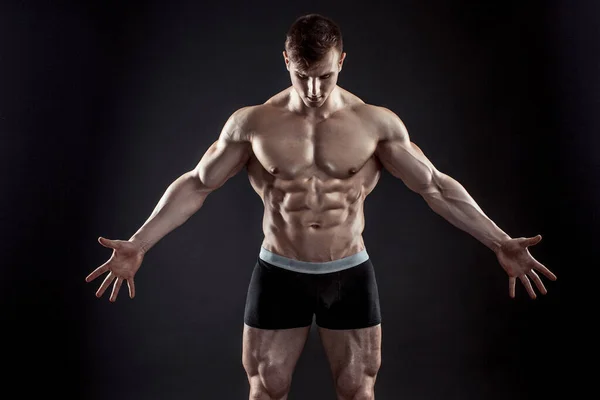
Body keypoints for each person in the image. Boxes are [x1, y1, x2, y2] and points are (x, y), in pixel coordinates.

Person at [85, 13, 557, 400]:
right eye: (302, 76)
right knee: (266, 388)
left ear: (343, 62)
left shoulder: (374, 124)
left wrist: (499, 241)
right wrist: (139, 244)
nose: (314, 89)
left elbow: (434, 187)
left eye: (326, 75)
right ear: (286, 60)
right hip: (279, 271)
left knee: (357, 390)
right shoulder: (253, 124)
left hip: (347, 272)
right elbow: (197, 184)